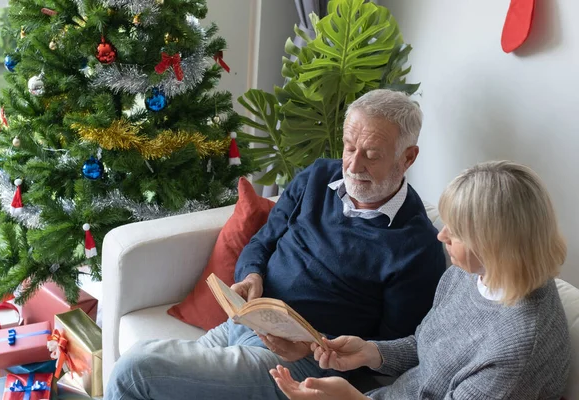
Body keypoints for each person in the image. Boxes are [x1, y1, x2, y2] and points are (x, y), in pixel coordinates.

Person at [105, 89, 446, 400]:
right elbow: (263, 240)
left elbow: (391, 355)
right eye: (349, 147)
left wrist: (313, 348)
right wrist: (251, 274)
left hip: (297, 362)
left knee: (136, 369)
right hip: (246, 322)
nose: (353, 166)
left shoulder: (416, 247)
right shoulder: (318, 177)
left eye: (371, 154)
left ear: (408, 158)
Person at [270, 160, 571, 400]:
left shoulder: (517, 348)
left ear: (497, 243)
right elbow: (428, 345)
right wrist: (371, 352)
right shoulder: (466, 274)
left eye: (457, 232)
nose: (442, 236)